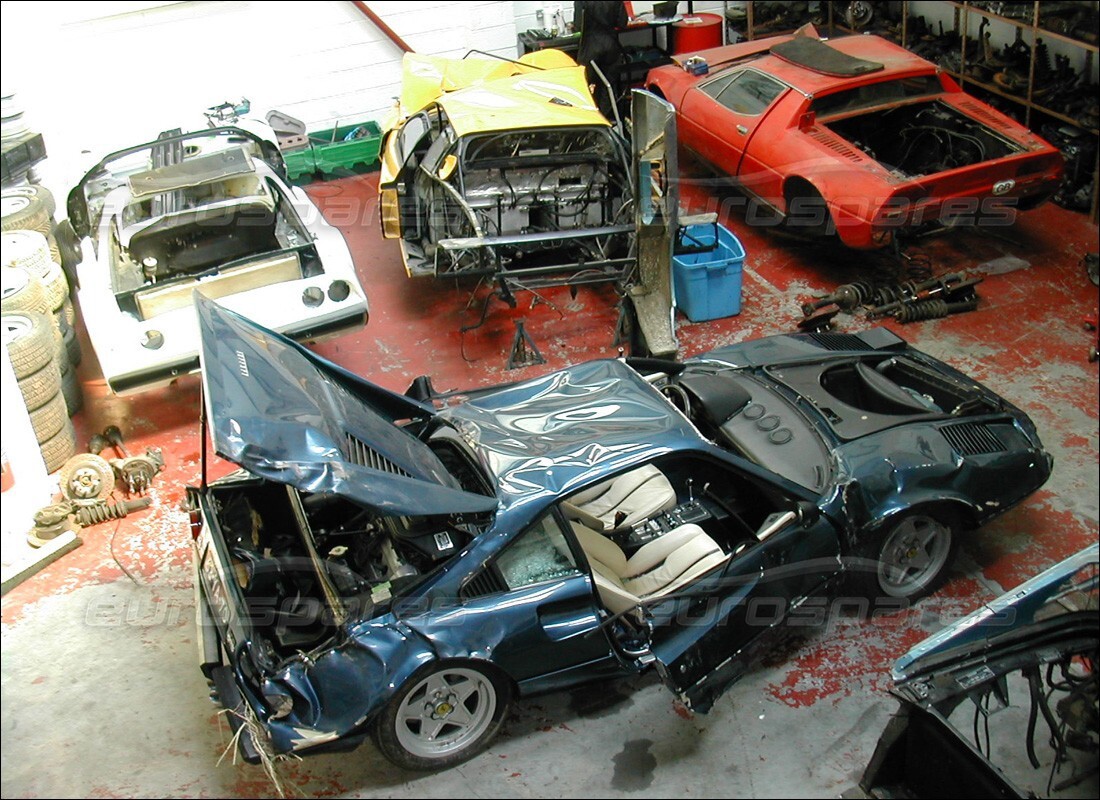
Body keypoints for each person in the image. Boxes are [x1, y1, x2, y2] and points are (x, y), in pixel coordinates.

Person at [573, 1, 629, 117]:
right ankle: (607, 121)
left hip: (591, 48)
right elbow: (623, 23)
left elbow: (578, 25)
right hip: (611, 47)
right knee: (608, 87)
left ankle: (591, 122)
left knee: (586, 87)